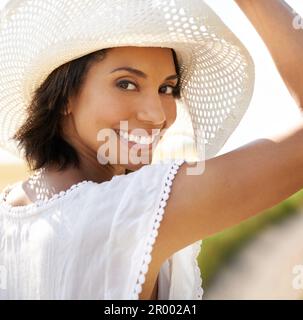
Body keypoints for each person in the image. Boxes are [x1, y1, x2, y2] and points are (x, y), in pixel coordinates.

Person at [0, 0, 302, 300]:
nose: (157, 115)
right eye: (127, 84)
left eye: (167, 89)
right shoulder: (130, 209)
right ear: (64, 94)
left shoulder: (9, 213)